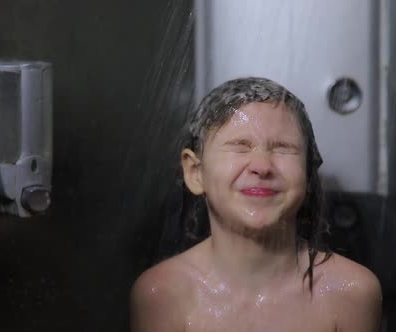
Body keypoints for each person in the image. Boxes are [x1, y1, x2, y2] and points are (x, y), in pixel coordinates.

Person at [130, 77, 382, 331]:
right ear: (196, 172)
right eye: (240, 147)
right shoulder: (162, 294)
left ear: (308, 173)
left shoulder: (349, 293)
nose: (262, 167)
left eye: (283, 148)